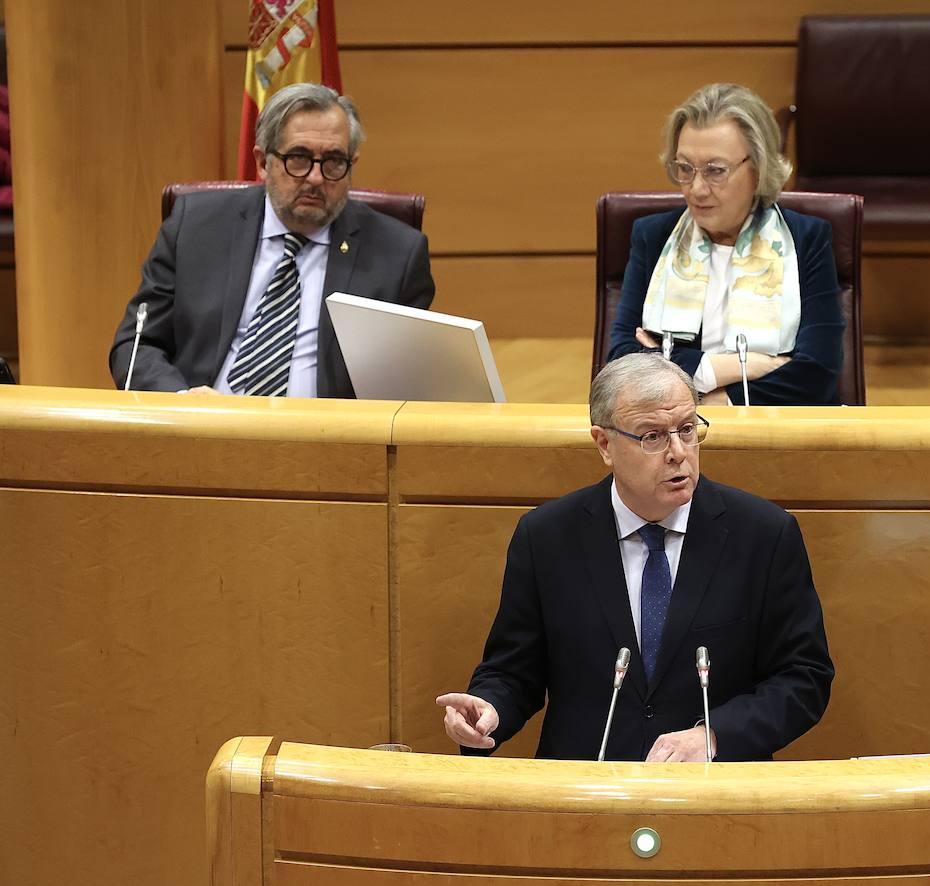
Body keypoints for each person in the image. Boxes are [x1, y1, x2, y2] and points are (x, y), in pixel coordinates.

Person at [436, 353, 834, 761]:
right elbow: (513, 670)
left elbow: (804, 677)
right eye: (653, 437)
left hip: (714, 793)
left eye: (687, 429)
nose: (678, 452)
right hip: (586, 792)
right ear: (605, 444)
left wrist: (714, 736)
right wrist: (489, 709)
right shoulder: (547, 537)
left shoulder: (763, 534)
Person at [109, 83, 434, 397]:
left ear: (352, 166)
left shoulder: (398, 255)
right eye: (298, 158)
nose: (316, 178)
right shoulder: (194, 228)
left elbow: (407, 383)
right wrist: (182, 399)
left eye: (334, 161)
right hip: (202, 431)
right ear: (263, 163)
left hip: (326, 444)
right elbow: (138, 344)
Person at [608, 82, 845, 406]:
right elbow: (622, 364)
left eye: (715, 171)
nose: (697, 188)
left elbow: (817, 375)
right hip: (671, 439)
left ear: (759, 168)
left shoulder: (806, 239)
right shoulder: (653, 236)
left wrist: (722, 400)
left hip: (780, 436)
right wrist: (727, 368)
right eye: (685, 169)